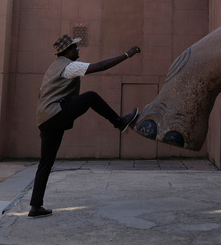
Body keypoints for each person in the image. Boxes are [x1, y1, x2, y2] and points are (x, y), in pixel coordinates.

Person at [29, 35, 141, 218]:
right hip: (55, 115)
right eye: (75, 48)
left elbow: (41, 93)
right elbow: (101, 66)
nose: (78, 50)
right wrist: (127, 55)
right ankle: (119, 122)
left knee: (45, 163)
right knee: (91, 97)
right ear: (66, 52)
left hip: (45, 119)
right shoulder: (68, 65)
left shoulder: (52, 68)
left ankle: (35, 207)